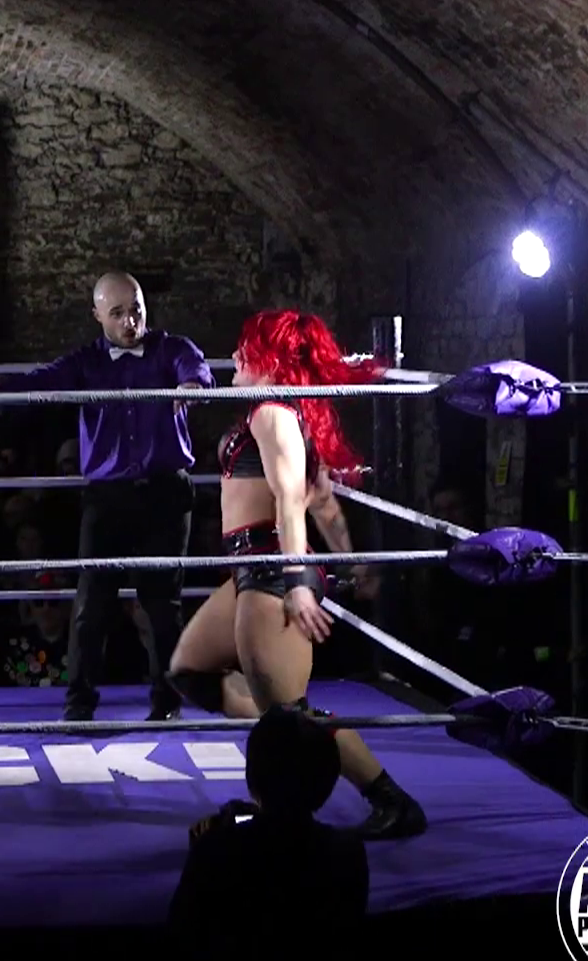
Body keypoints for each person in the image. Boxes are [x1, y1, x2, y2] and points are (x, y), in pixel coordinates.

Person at [166, 309, 426, 839]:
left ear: (270, 359)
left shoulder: (272, 414)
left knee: (294, 716)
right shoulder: (285, 414)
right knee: (190, 671)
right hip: (253, 567)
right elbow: (323, 502)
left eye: (245, 350)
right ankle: (278, 732)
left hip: (271, 570)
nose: (234, 357)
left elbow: (290, 499)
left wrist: (298, 580)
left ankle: (390, 799)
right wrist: (352, 560)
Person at [0, 272, 211, 721]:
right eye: (118, 313)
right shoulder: (85, 362)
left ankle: (167, 702)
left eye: (136, 310)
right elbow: (44, 381)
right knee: (92, 604)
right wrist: (0, 389)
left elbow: (196, 370)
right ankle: (79, 704)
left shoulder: (172, 348)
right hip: (108, 496)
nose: (130, 322)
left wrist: (191, 388)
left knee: (162, 604)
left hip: (165, 494)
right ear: (97, 315)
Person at [167, 706, 369, 961]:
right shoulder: (348, 852)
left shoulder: (219, 848)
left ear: (253, 776)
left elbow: (183, 936)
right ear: (327, 781)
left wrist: (202, 852)